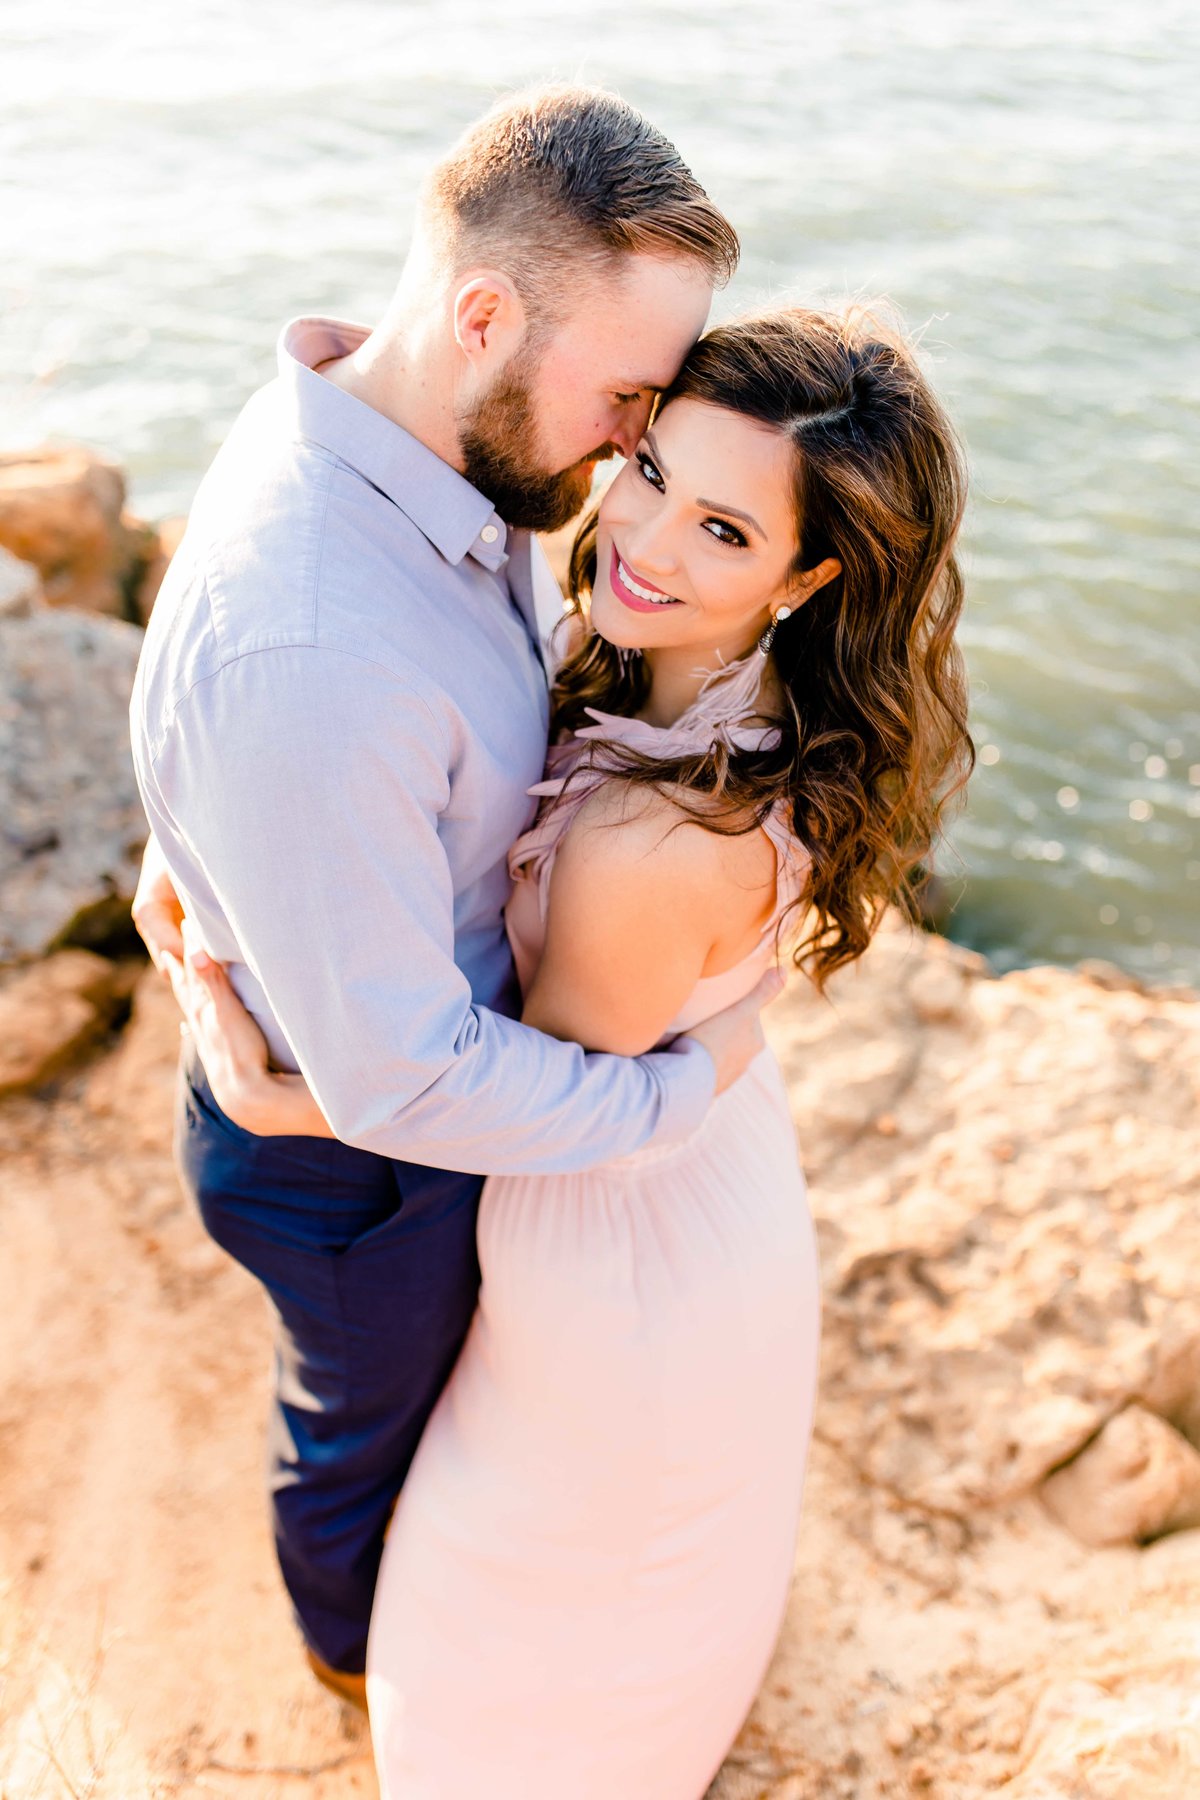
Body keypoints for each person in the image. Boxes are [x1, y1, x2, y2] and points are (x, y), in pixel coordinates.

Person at [170, 304, 973, 1797]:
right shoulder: (710, 697)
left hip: (612, 1235)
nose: (643, 539)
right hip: (709, 1176)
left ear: (809, 581)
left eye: (724, 530)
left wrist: (273, 1090)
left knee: (543, 1567)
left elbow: (512, 1104)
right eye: (652, 465)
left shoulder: (643, 840)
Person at [128, 84, 776, 1711]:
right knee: (361, 1424)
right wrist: (675, 1094)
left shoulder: (381, 436)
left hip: (375, 1076)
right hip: (353, 1168)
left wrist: (188, 869)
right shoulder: (316, 640)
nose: (638, 442)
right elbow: (401, 1076)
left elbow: (248, 751)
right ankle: (348, 1654)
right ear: (483, 312)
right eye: (628, 395)